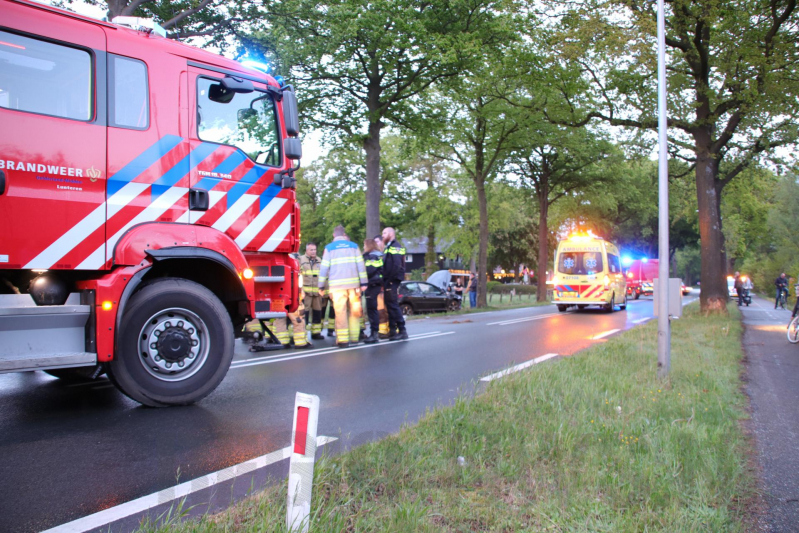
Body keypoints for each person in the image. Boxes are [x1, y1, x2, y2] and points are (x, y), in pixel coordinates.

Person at [318, 226, 368, 348]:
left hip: (337, 287)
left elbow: (324, 268)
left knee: (340, 313)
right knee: (355, 312)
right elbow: (361, 266)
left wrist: (321, 286)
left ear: (334, 235)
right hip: (354, 286)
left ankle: (343, 340)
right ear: (344, 234)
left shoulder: (329, 248)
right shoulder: (354, 246)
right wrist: (364, 283)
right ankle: (355, 338)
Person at [381, 227, 408, 340]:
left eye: (385, 233)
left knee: (393, 304)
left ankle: (402, 330)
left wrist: (390, 279)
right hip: (388, 280)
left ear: (391, 234)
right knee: (390, 305)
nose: (382, 235)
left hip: (392, 280)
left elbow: (396, 265)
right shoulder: (389, 246)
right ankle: (393, 330)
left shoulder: (395, 246)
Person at [299, 243, 324, 339]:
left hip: (317, 293)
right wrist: (301, 291)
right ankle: (302, 332)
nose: (314, 251)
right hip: (306, 292)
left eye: (315, 250)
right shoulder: (301, 260)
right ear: (306, 250)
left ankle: (316, 333)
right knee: (304, 313)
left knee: (317, 312)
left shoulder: (319, 260)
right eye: (311, 250)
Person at [362, 239, 384, 344]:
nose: (363, 247)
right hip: (376, 283)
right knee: (372, 309)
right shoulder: (379, 255)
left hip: (372, 284)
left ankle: (374, 334)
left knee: (372, 310)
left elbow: (369, 271)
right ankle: (374, 333)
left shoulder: (371, 256)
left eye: (364, 245)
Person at [374, 235, 391, 338]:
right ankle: (383, 330)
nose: (376, 244)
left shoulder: (386, 254)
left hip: (387, 285)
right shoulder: (377, 255)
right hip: (379, 286)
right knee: (381, 309)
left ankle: (392, 329)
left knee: (389, 308)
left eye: (377, 242)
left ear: (382, 242)